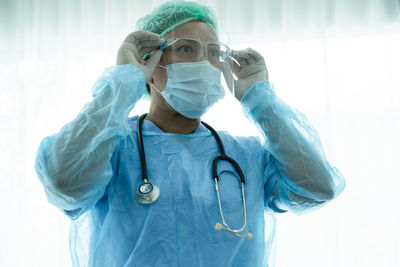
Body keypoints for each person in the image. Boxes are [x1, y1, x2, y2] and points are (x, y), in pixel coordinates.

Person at [35, 1, 345, 266]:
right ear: (150, 64)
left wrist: (261, 102)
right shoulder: (112, 147)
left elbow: (316, 188)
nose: (204, 63)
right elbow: (63, 181)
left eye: (213, 54)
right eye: (186, 48)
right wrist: (122, 84)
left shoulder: (245, 156)